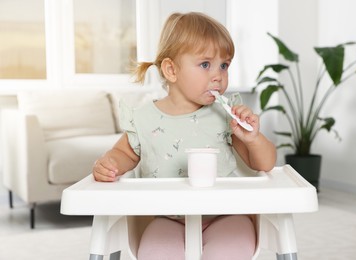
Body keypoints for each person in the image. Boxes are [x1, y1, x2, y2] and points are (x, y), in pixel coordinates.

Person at [93, 12, 276, 260]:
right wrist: (110, 164)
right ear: (171, 70)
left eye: (224, 65)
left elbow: (264, 164)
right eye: (205, 64)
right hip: (168, 218)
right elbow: (124, 152)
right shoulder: (144, 119)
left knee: (228, 253)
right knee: (155, 254)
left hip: (226, 215)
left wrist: (253, 138)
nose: (218, 75)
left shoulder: (227, 115)